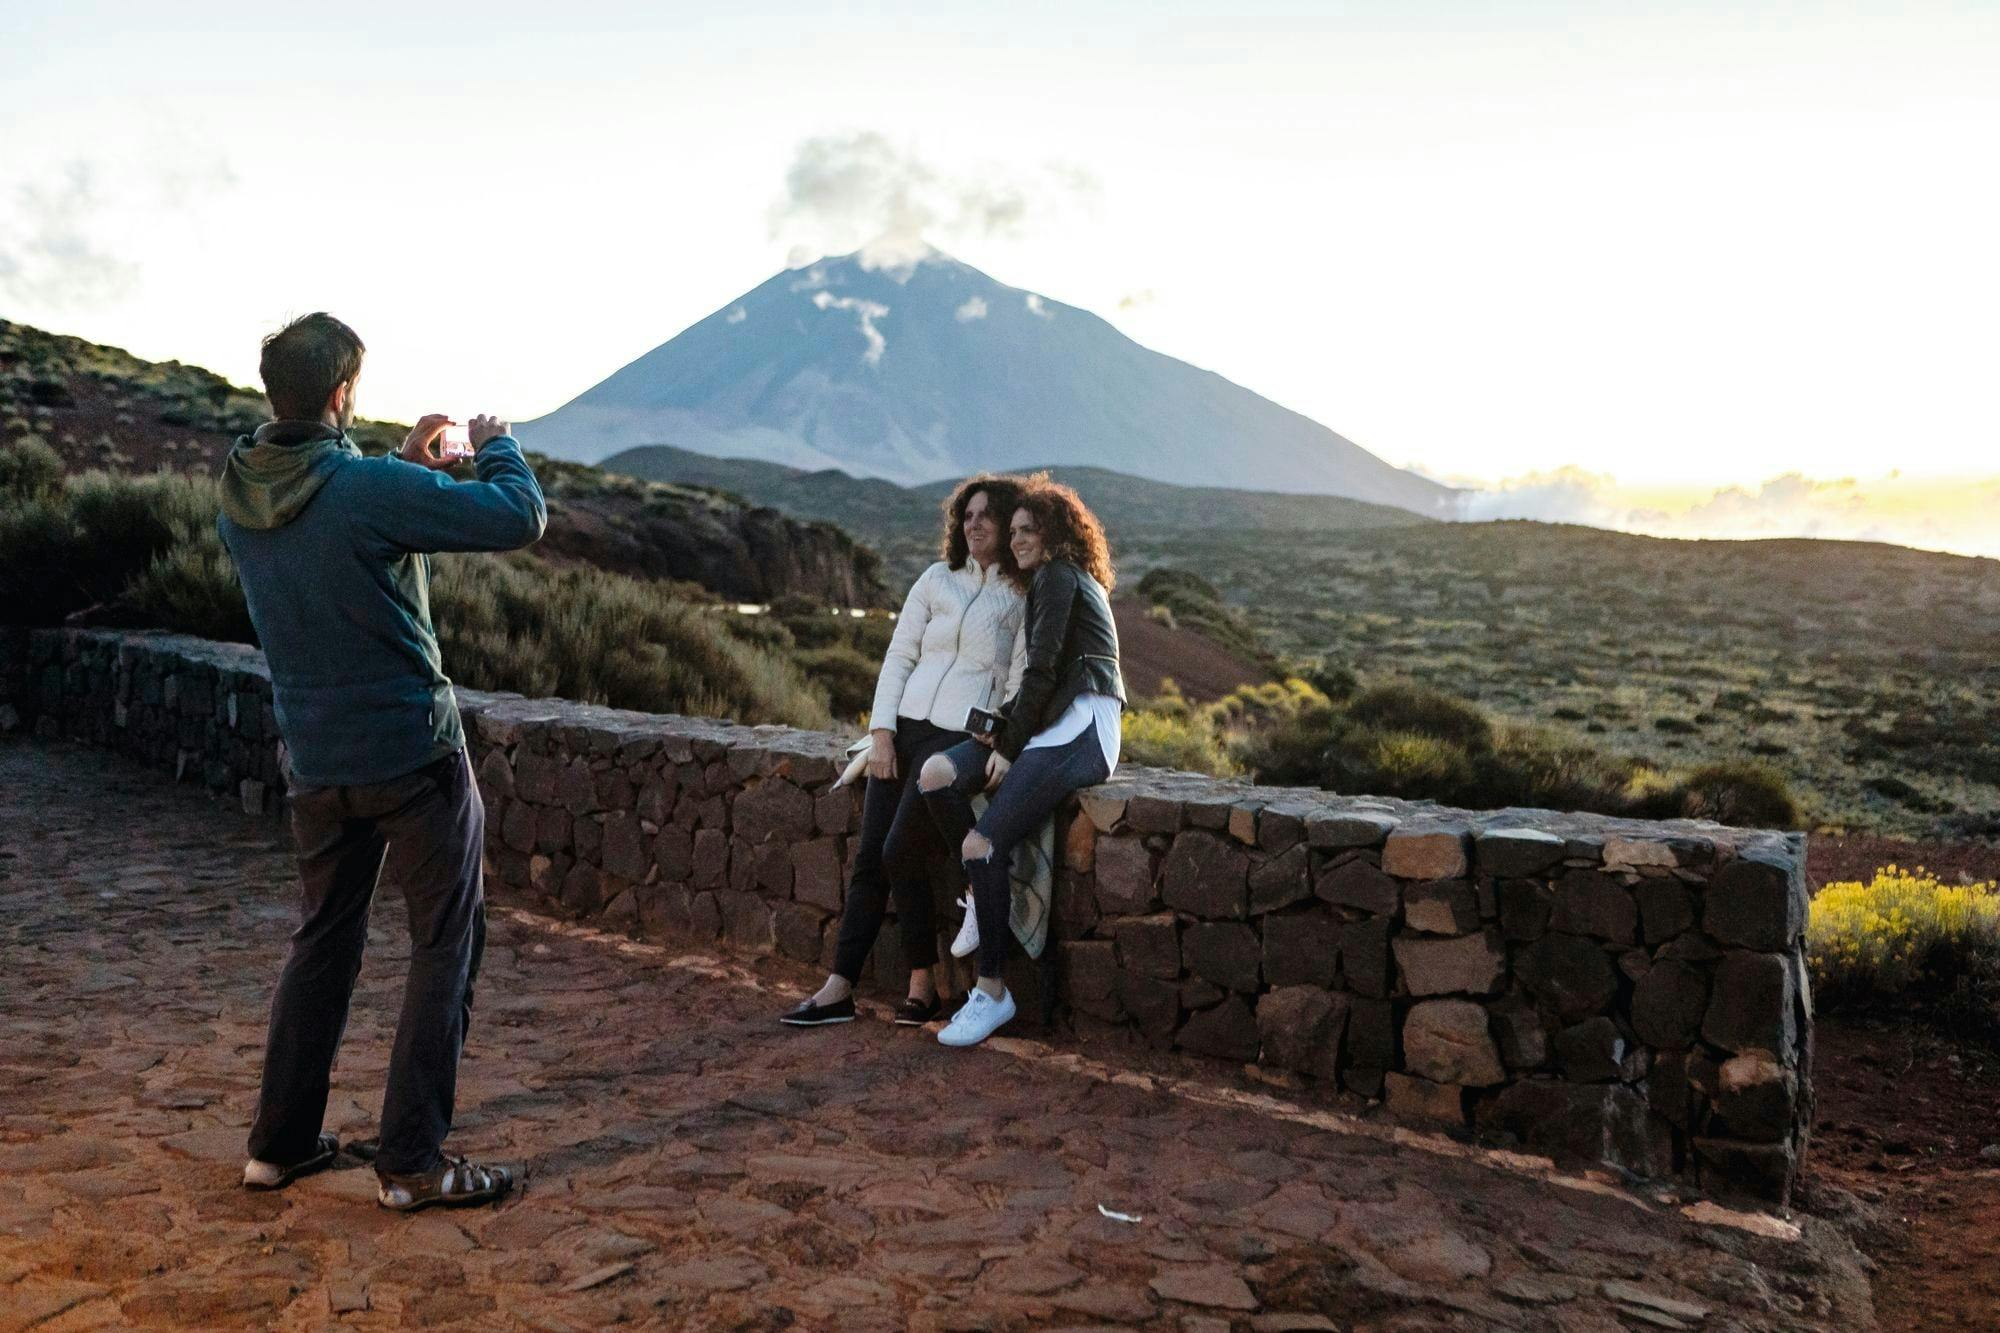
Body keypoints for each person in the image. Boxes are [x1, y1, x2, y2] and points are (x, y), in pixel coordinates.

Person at [219, 312, 545, 1212]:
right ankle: (411, 1160)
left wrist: (404, 465)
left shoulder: (241, 487)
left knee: (321, 943)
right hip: (412, 755)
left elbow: (333, 518)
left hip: (318, 761)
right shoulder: (362, 490)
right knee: (445, 945)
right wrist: (496, 447)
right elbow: (519, 516)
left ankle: (277, 1146)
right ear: (340, 394)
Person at [780, 475, 1029, 1029]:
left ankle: (923, 981)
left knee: (897, 852)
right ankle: (840, 986)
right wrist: (882, 731)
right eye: (968, 513)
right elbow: (898, 658)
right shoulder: (936, 580)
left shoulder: (1020, 594)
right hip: (905, 730)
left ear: (1008, 524)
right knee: (872, 859)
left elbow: (1019, 678)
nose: (975, 523)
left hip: (959, 737)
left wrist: (1000, 734)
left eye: (988, 515)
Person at [920, 476, 1125, 1047]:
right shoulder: (1051, 581)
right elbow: (1039, 683)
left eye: (1029, 530)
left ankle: (992, 992)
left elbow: (1044, 672)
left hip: (1081, 730)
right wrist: (997, 729)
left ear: (1058, 534)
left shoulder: (1060, 576)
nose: (1017, 541)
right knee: (936, 775)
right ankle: (980, 895)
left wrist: (1007, 749)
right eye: (1014, 532)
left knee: (982, 843)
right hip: (1050, 722)